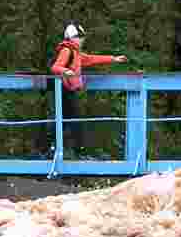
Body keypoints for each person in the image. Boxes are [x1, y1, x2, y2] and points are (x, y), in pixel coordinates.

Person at [49, 23, 127, 156]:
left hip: (69, 91)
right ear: (72, 38)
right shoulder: (67, 50)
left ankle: (61, 150)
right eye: (79, 37)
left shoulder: (76, 53)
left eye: (82, 37)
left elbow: (91, 59)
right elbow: (55, 67)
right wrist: (65, 71)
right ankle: (69, 151)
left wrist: (113, 59)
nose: (82, 40)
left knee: (68, 122)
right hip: (63, 91)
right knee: (71, 122)